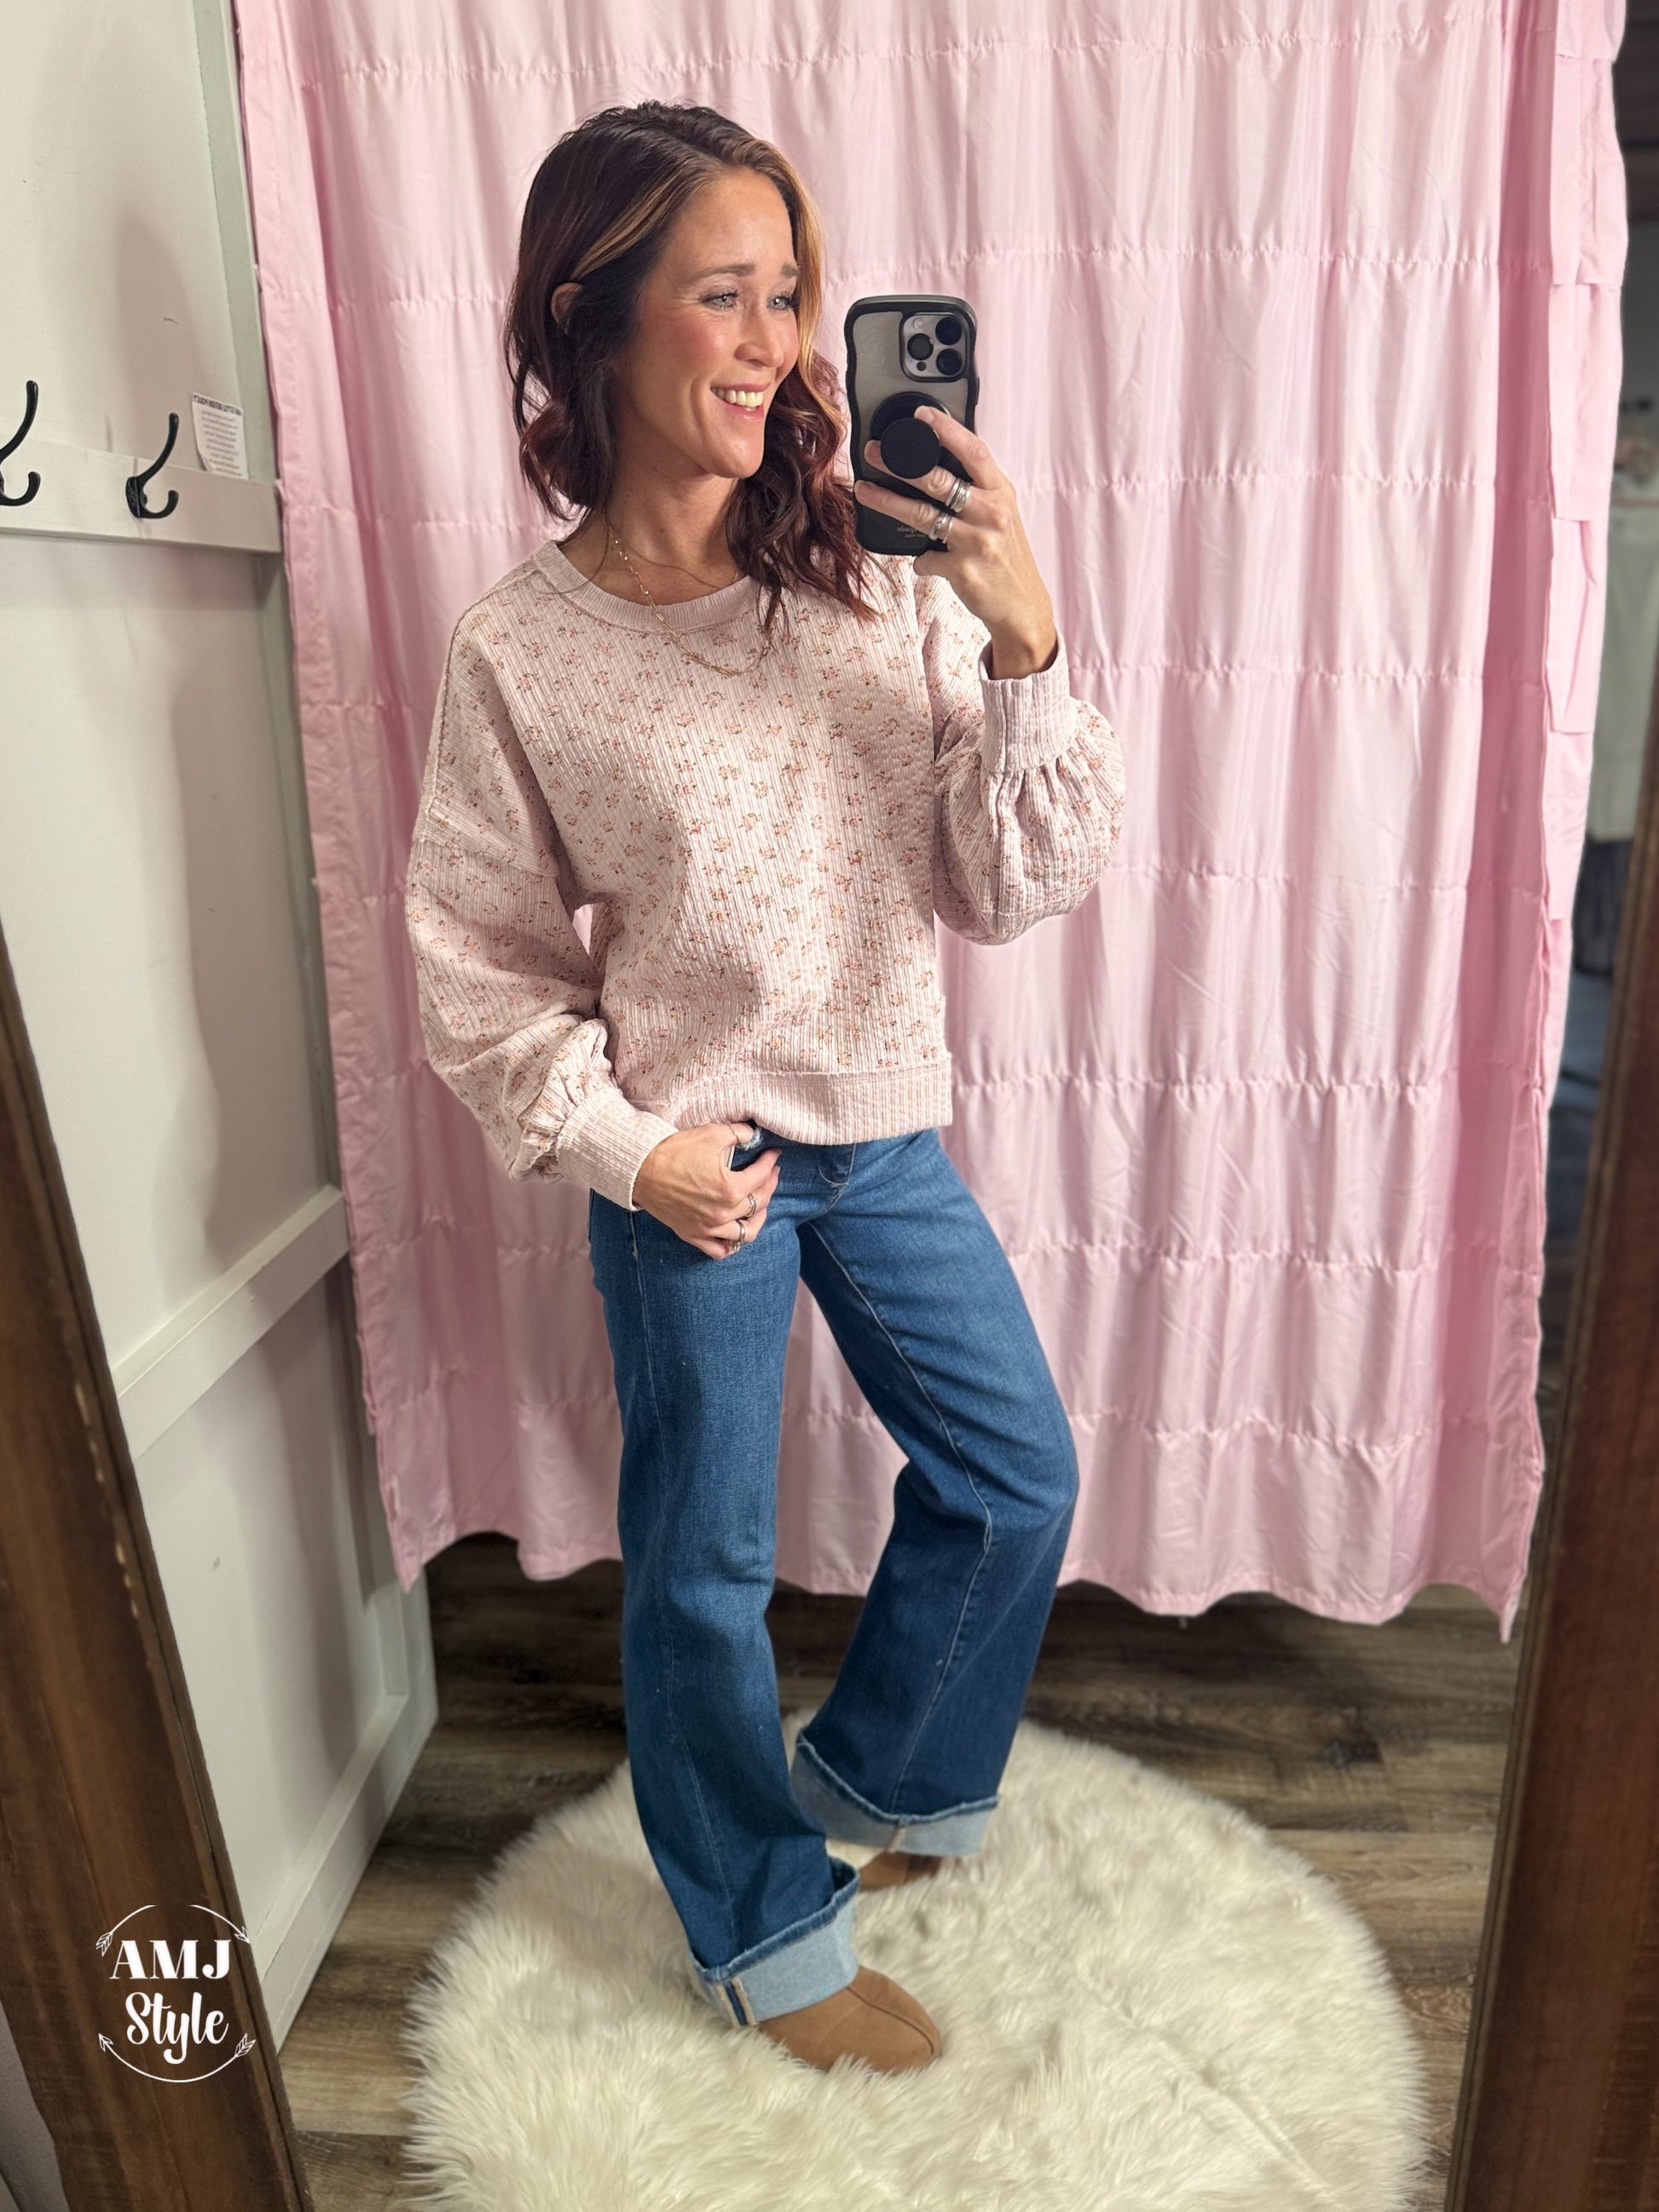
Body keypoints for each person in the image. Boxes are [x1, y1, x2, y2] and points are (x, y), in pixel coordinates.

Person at [403, 97, 1126, 2076]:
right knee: (703, 1567)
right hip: (692, 1163)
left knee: (1013, 1475)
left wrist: (1025, 642)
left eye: (790, 295)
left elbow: (1003, 884)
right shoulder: (519, 650)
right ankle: (757, 1927)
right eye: (722, 295)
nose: (776, 344)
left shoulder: (874, 578)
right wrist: (630, 1151)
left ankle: (881, 1772)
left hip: (882, 1131)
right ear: (591, 315)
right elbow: (475, 951)